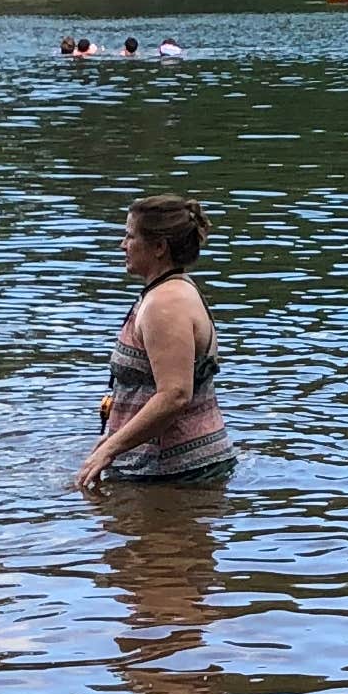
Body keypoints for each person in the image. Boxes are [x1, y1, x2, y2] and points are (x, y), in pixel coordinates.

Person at [76, 194, 230, 487]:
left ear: (159, 247)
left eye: (130, 237)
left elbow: (174, 395)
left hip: (175, 476)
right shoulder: (172, 290)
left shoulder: (166, 304)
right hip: (175, 472)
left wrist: (109, 450)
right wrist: (114, 441)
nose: (122, 245)